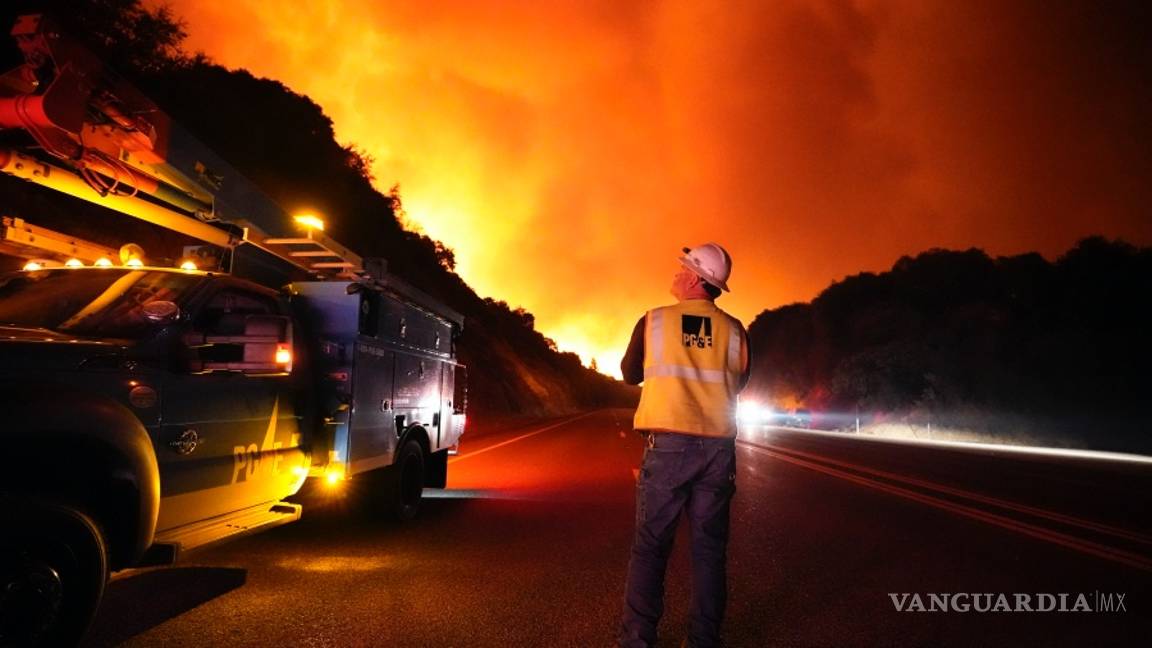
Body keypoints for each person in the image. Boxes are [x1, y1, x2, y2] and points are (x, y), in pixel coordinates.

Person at [618, 243, 751, 648]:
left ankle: (638, 642)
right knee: (709, 553)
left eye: (681, 269)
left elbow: (629, 374)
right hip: (717, 452)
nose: (676, 274)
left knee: (651, 549)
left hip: (670, 448)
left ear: (695, 278)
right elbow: (739, 382)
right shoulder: (735, 330)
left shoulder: (654, 321)